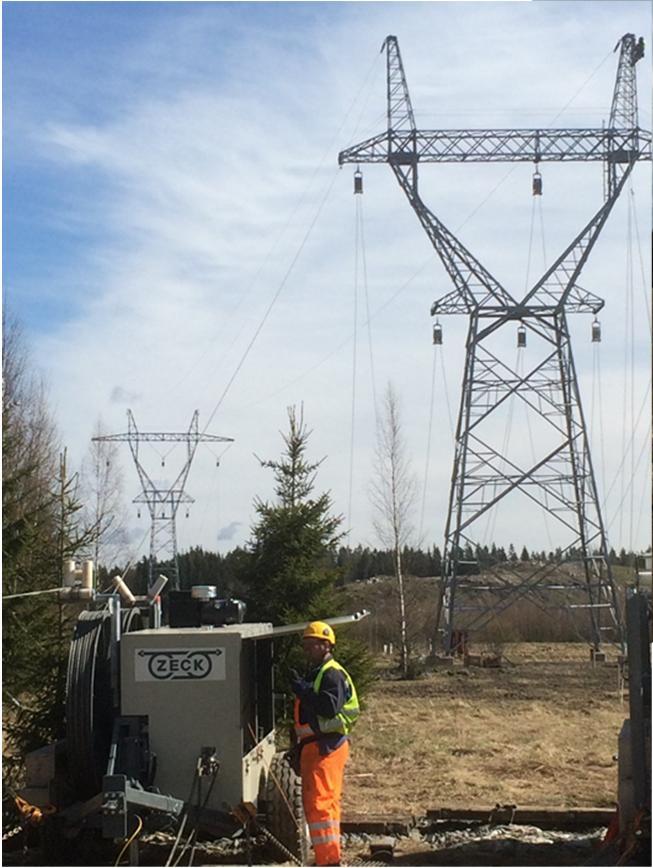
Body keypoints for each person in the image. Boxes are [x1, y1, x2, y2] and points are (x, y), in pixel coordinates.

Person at [290, 621, 359, 867]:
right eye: (305, 646)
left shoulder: (331, 673)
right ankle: (328, 859)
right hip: (319, 746)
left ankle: (328, 861)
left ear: (325, 645)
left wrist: (304, 691)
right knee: (324, 803)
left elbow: (328, 708)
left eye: (311, 645)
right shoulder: (321, 672)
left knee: (320, 805)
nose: (307, 650)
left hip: (326, 747)